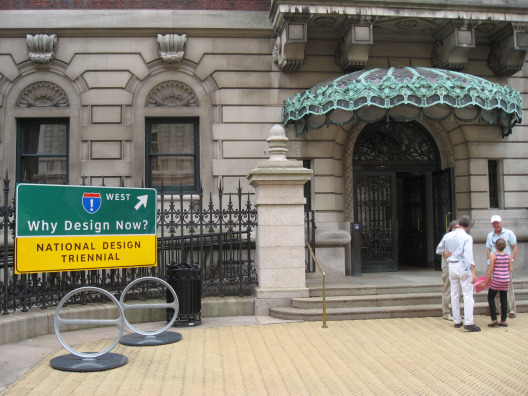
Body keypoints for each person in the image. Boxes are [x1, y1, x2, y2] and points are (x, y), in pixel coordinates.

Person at [436, 215, 480, 332]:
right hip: (462, 265)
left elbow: (438, 250)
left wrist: (446, 253)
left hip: (452, 266)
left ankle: (457, 320)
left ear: (459, 223)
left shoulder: (448, 235)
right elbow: (468, 256)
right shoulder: (467, 237)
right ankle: (469, 322)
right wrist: (473, 271)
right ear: (468, 226)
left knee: (454, 294)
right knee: (467, 295)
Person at [486, 215, 518, 318]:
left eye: (497, 223)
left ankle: (511, 309)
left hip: (505, 263)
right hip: (493, 263)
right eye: (494, 223)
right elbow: (488, 249)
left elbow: (515, 247)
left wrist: (511, 260)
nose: (496, 225)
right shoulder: (490, 235)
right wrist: (488, 261)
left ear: (501, 223)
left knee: (508, 287)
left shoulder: (509, 233)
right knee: (493, 287)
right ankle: (495, 309)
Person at [485, 238, 512, 327]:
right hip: (506, 279)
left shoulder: (494, 255)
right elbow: (510, 269)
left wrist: (486, 281)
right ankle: (503, 320)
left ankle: (494, 319)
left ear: (495, 246)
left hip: (497, 279)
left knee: (491, 297)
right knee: (503, 299)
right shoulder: (508, 255)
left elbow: (491, 269)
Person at [439, 220, 459, 320]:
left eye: (459, 227)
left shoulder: (462, 237)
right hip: (448, 266)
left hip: (459, 266)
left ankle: (456, 312)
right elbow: (439, 250)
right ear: (451, 228)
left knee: (457, 290)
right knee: (448, 289)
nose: (457, 230)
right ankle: (446, 312)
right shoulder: (447, 237)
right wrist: (445, 252)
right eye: (455, 227)